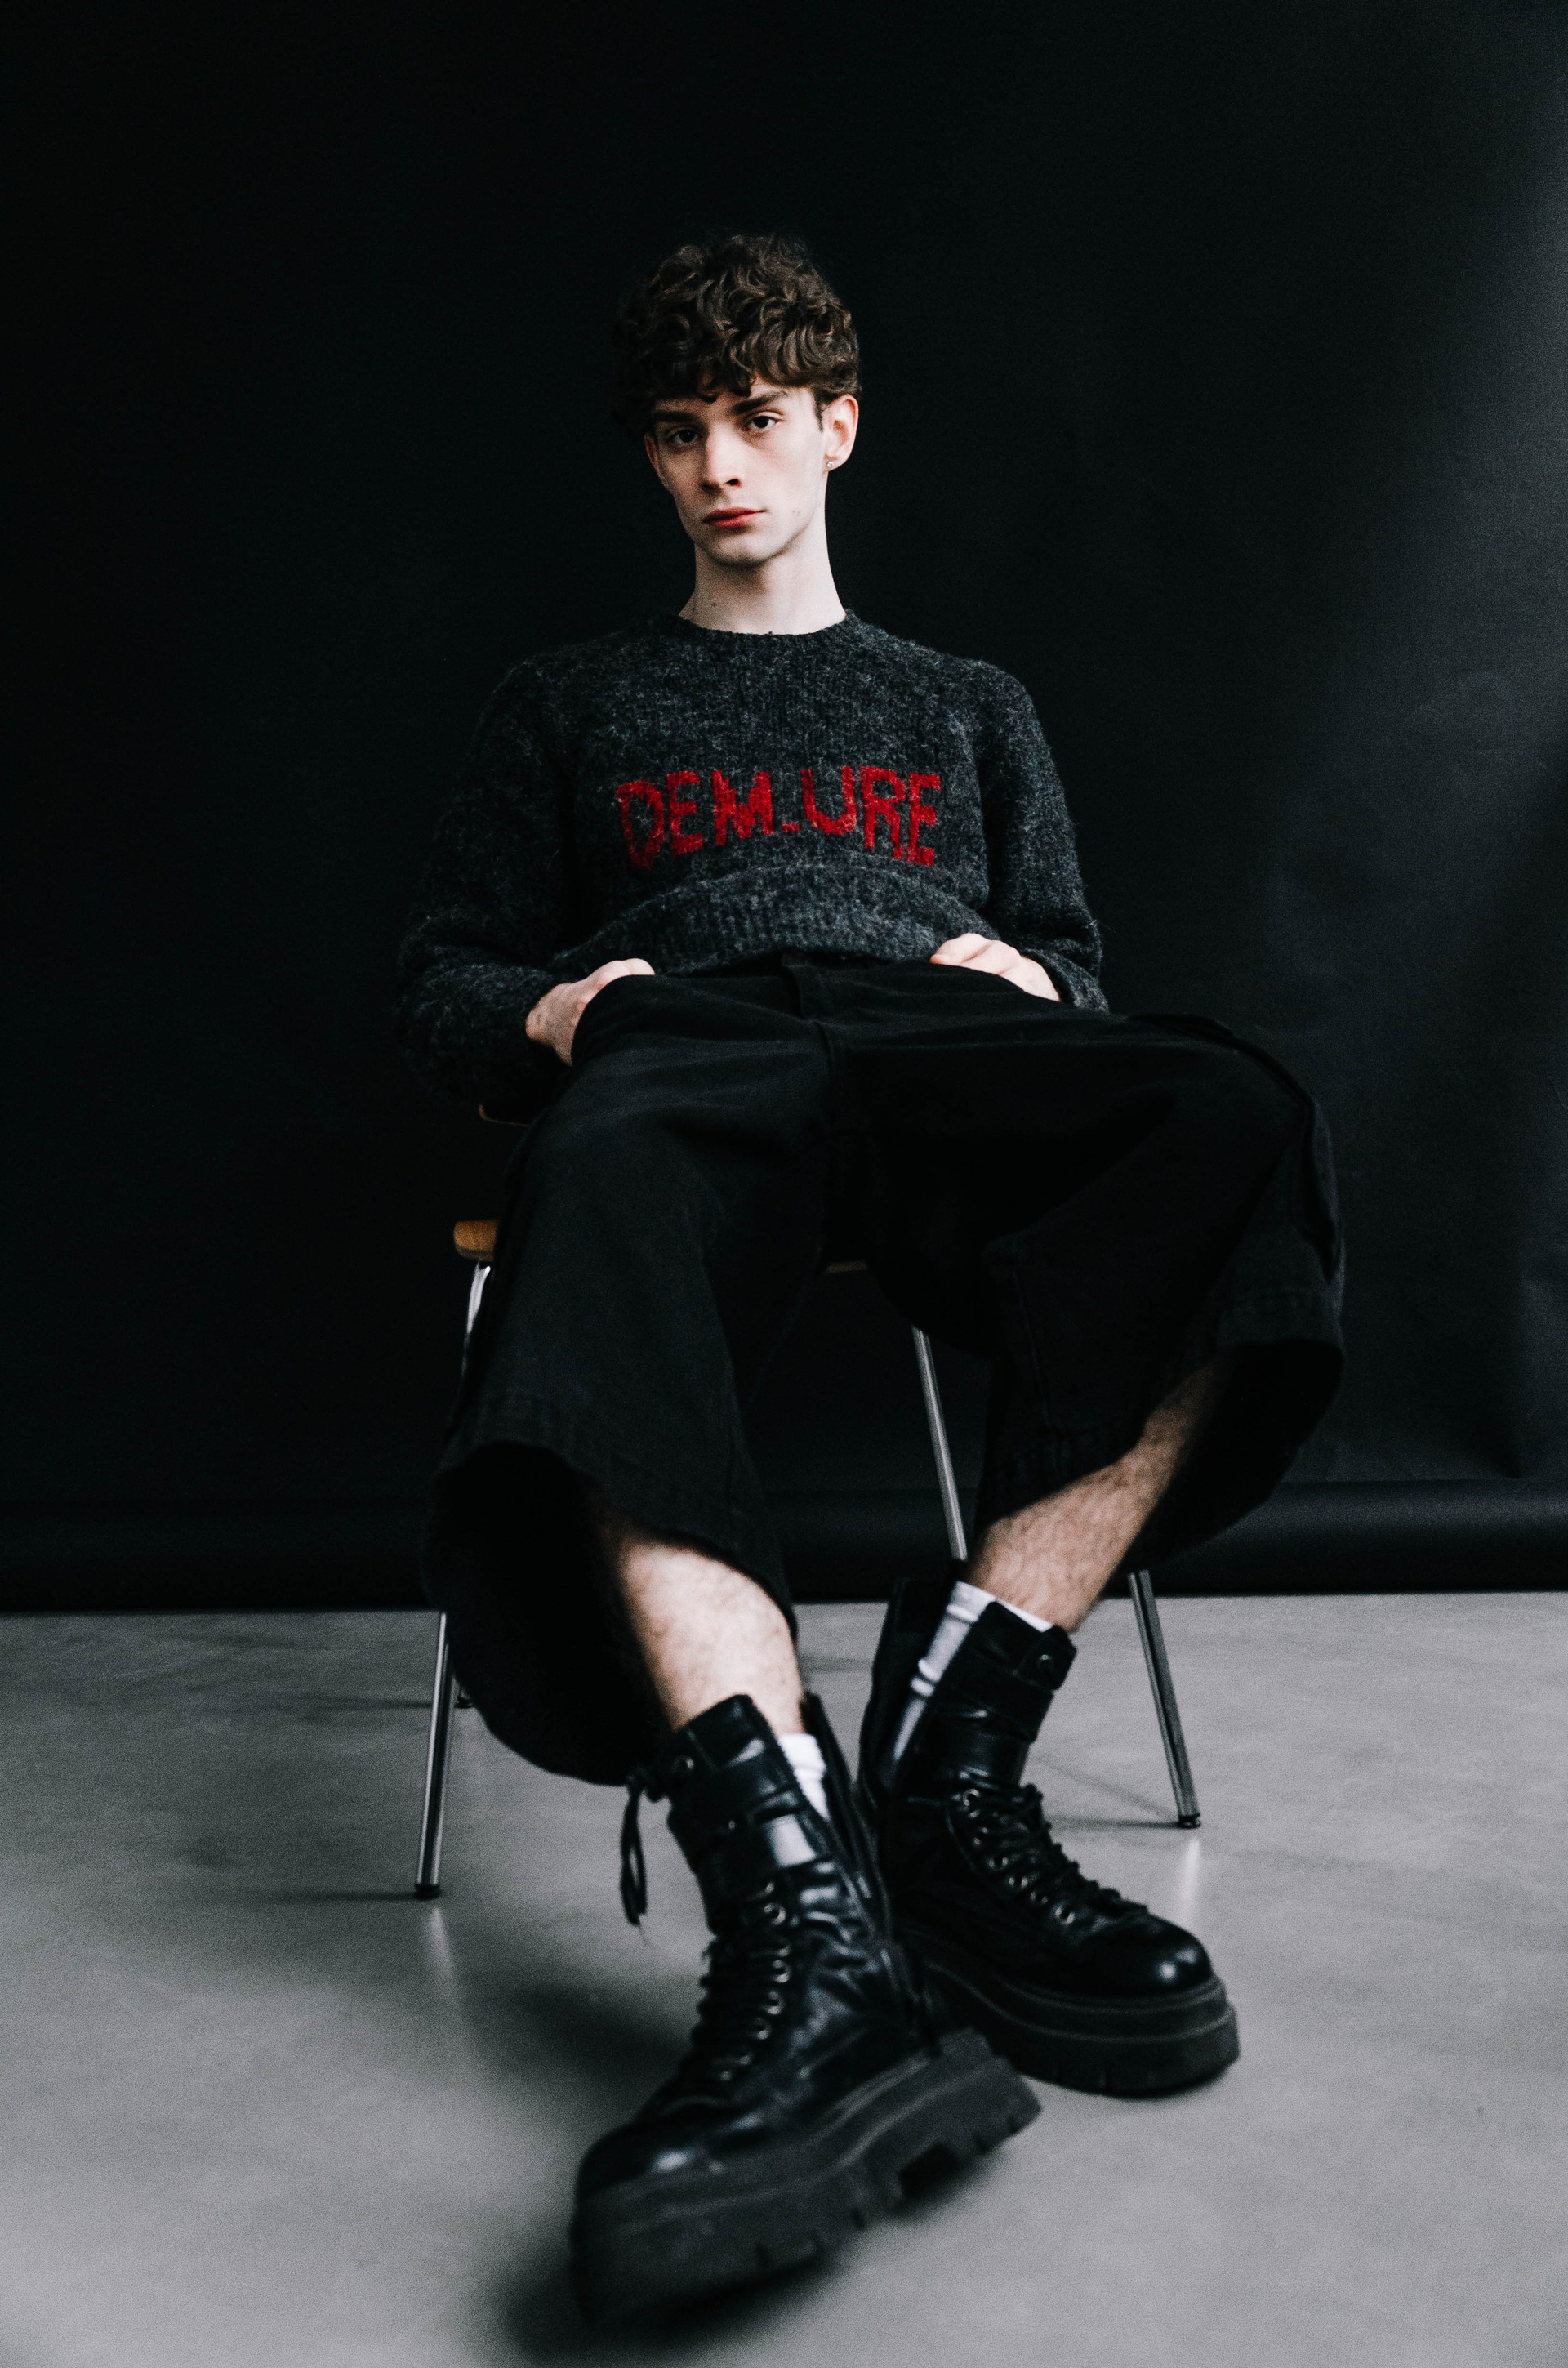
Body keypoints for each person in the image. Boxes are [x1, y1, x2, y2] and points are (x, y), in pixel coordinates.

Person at [396, 232, 1344, 2322]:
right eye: (679, 434)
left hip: (937, 1035)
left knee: (1228, 1116)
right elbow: (448, 975)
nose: (720, 467)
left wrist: (1035, 979)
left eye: (756, 420)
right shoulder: (567, 701)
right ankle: (803, 1914)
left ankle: (953, 1758)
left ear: (837, 424)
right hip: (689, 1037)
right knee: (590, 1182)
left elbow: (1074, 954)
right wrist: (557, 1013)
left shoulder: (967, 701)